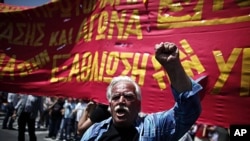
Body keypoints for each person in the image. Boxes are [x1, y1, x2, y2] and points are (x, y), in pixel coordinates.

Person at [80, 42, 203, 141]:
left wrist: (173, 67)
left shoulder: (155, 127)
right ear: (110, 105)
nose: (121, 101)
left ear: (138, 104)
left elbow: (188, 110)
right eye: (116, 97)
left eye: (128, 97)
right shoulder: (94, 133)